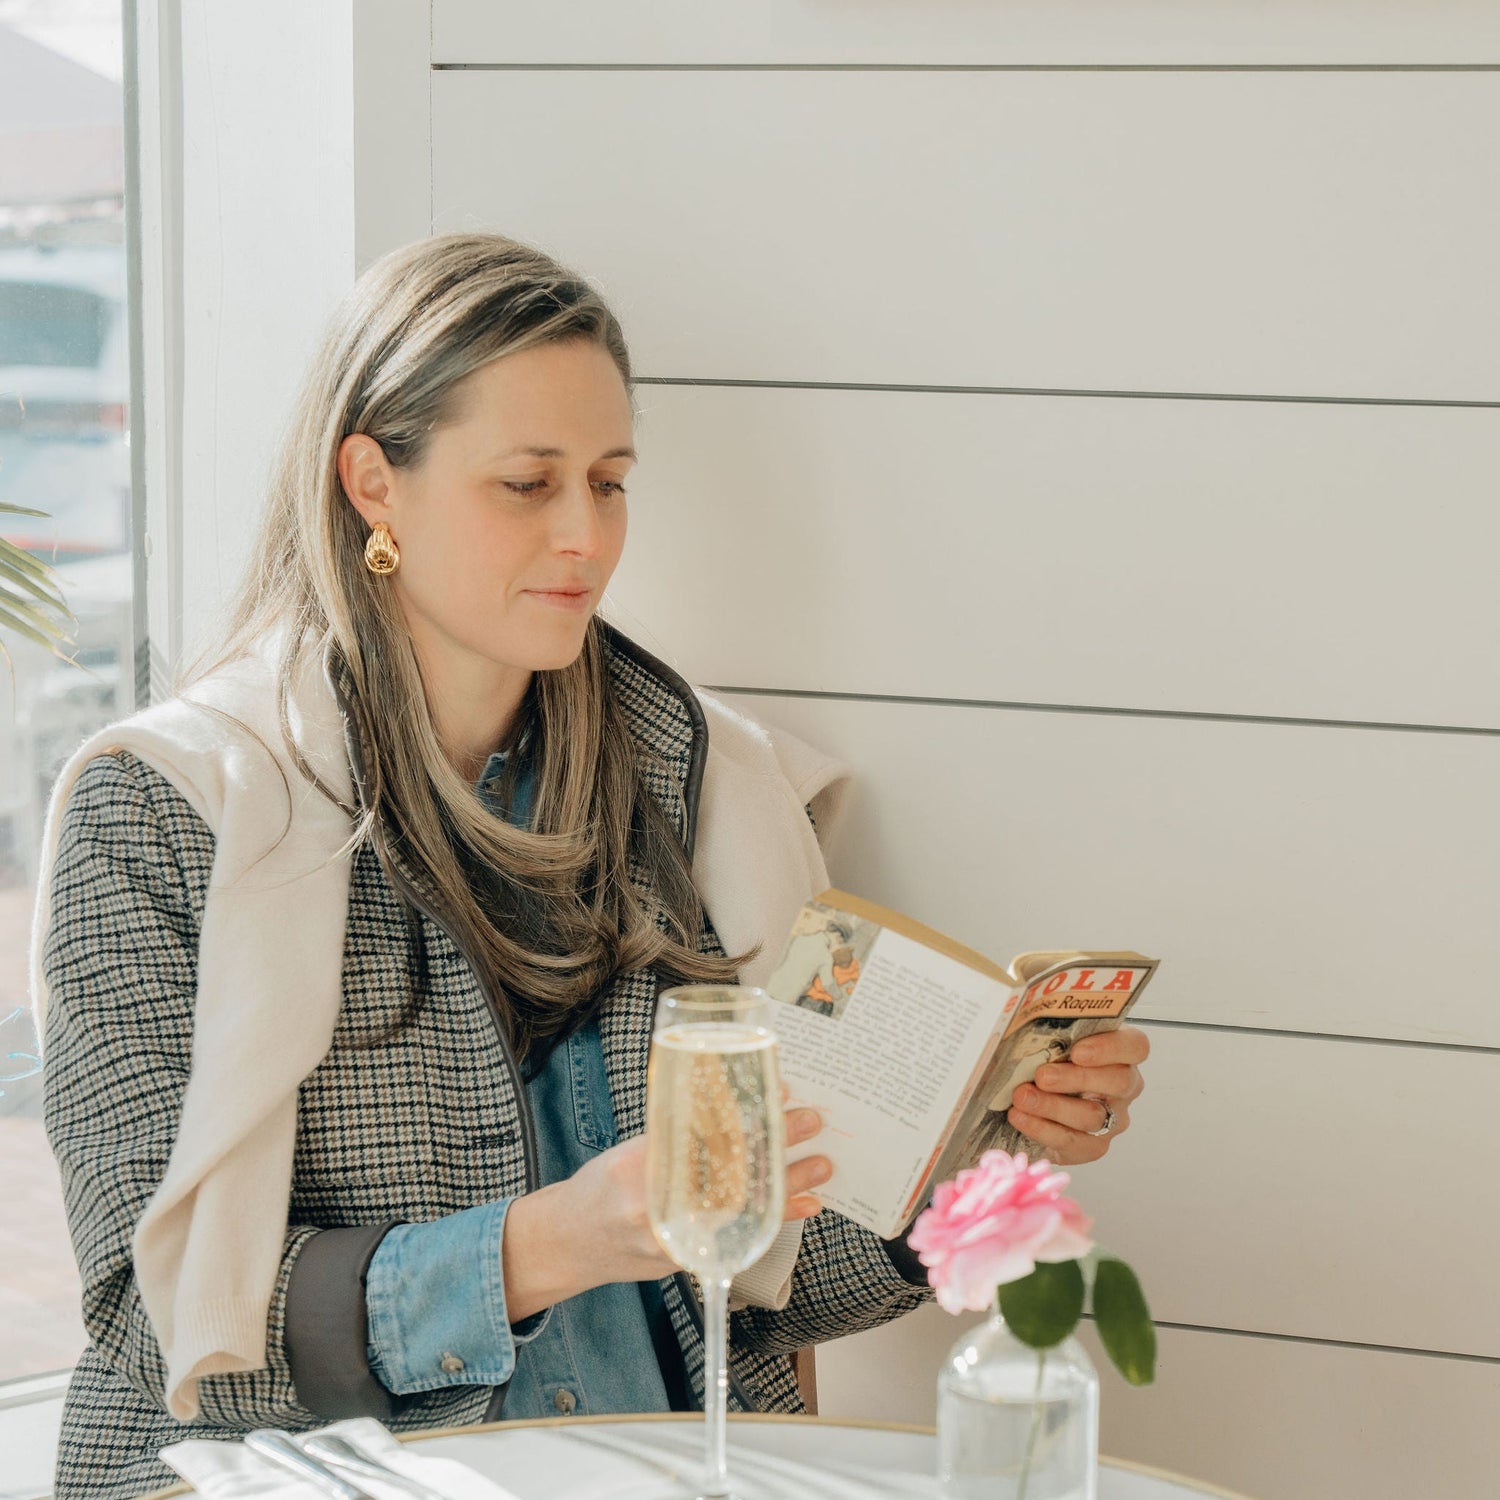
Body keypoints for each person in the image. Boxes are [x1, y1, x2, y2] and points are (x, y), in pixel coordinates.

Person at [34, 234, 1150, 1499]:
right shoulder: (163, 811)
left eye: (610, 481)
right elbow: (152, 1325)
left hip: (673, 1462)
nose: (585, 535)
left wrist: (974, 1142)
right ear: (371, 483)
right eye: (527, 483)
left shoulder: (704, 784)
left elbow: (767, 1287)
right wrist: (537, 1250)